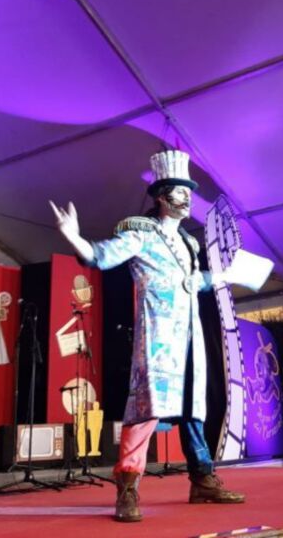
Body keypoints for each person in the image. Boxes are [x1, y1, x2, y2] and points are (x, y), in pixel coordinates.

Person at [51, 150, 250, 522]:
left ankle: (203, 479)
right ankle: (128, 488)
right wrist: (74, 238)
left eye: (189, 191)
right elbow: (101, 256)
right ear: (161, 196)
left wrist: (217, 278)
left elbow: (195, 282)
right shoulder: (140, 236)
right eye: (179, 191)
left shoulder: (190, 245)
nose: (188, 197)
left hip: (191, 340)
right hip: (159, 341)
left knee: (193, 411)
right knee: (145, 411)